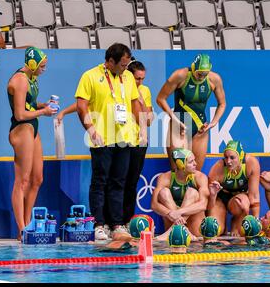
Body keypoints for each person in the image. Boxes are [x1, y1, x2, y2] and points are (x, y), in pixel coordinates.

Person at [75, 43, 146, 241]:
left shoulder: (128, 77)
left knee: (119, 182)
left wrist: (141, 128)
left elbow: (134, 104)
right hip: (102, 138)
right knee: (100, 181)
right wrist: (90, 129)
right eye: (122, 64)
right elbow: (82, 106)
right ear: (110, 61)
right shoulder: (90, 76)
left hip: (124, 138)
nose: (126, 68)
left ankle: (116, 224)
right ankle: (99, 223)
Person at [7, 47, 57, 240]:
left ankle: (28, 224)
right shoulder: (19, 80)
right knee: (22, 181)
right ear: (32, 64)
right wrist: (43, 113)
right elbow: (19, 114)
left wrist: (42, 105)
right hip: (21, 129)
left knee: (37, 179)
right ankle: (21, 229)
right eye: (42, 66)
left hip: (32, 127)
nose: (44, 69)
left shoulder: (31, 78)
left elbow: (27, 104)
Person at [156, 53, 226, 171]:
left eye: (205, 74)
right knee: (178, 171)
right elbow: (160, 99)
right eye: (199, 73)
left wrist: (213, 123)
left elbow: (222, 104)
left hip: (200, 127)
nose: (202, 77)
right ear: (193, 67)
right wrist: (174, 118)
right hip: (179, 126)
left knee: (195, 172)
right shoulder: (179, 76)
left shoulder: (215, 79)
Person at [151, 148, 209, 241]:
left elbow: (203, 205)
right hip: (174, 224)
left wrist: (178, 212)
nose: (195, 164)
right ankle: (180, 229)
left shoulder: (200, 177)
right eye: (191, 162)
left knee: (192, 192)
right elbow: (154, 205)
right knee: (163, 192)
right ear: (181, 164)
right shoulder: (165, 177)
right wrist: (170, 213)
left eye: (194, 160)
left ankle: (173, 229)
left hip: (194, 229)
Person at [207, 140, 261, 236]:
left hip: (239, 198)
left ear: (240, 156)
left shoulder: (251, 164)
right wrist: (213, 194)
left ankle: (235, 222)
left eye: (232, 158)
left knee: (243, 201)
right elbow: (209, 204)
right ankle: (223, 226)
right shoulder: (217, 169)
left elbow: (254, 196)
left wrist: (256, 220)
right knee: (216, 230)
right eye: (226, 157)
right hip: (220, 199)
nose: (228, 161)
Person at [123, 58, 154, 224]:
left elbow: (149, 120)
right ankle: (112, 222)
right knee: (118, 181)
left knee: (132, 183)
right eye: (137, 78)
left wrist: (141, 100)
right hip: (121, 141)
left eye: (142, 78)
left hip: (139, 142)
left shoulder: (145, 90)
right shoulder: (121, 88)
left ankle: (127, 221)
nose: (140, 82)